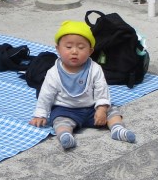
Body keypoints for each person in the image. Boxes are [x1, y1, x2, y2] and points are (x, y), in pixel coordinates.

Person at [29, 20, 137, 150]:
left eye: (81, 48)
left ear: (90, 51)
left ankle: (117, 129)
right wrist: (40, 114)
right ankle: (65, 135)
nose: (74, 51)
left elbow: (102, 90)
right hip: (66, 109)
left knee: (112, 111)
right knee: (58, 119)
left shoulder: (94, 69)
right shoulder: (54, 73)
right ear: (58, 49)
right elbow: (46, 95)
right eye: (68, 47)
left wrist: (101, 109)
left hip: (92, 108)